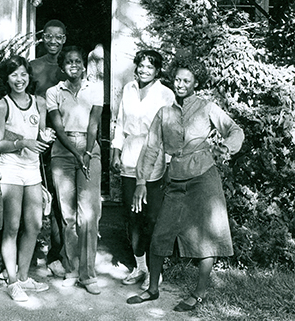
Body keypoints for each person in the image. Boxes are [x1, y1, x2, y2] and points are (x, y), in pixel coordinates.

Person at [127, 56, 244, 311]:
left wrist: (225, 148)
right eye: (177, 79)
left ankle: (199, 294)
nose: (180, 84)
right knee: (160, 235)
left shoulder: (207, 108)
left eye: (186, 81)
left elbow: (235, 130)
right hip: (176, 180)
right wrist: (141, 181)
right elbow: (150, 149)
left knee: (207, 238)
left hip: (204, 179)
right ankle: (153, 289)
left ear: (195, 84)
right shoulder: (164, 113)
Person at [111, 50, 174, 289]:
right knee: (132, 215)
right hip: (129, 155)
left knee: (152, 216)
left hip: (154, 158)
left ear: (157, 70)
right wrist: (116, 151)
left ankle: (155, 269)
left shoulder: (165, 94)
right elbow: (119, 122)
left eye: (150, 66)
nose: (144, 70)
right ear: (136, 67)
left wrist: (167, 162)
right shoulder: (128, 89)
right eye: (141, 65)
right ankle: (140, 266)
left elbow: (169, 131)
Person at [0, 56, 53, 302]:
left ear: (29, 76)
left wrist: (46, 136)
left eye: (23, 74)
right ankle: (12, 281)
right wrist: (22, 142)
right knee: (12, 227)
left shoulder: (39, 102)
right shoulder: (2, 105)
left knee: (35, 226)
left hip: (32, 170)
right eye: (14, 75)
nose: (19, 79)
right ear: (7, 79)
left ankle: (24, 276)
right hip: (11, 169)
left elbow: (41, 134)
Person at [46, 46, 103, 295]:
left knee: (88, 215)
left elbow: (93, 124)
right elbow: (58, 128)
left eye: (77, 61)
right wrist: (75, 153)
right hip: (62, 150)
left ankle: (88, 275)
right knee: (68, 216)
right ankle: (71, 269)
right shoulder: (53, 92)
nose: (73, 65)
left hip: (89, 150)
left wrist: (87, 153)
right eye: (68, 61)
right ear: (62, 66)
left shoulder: (95, 89)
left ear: (83, 65)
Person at [30, 19, 67, 278]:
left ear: (64, 39)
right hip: (34, 140)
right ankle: (29, 254)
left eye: (59, 37)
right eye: (49, 36)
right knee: (33, 197)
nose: (53, 41)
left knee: (59, 200)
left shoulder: (71, 66)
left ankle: (57, 255)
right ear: (43, 37)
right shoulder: (33, 67)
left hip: (62, 142)